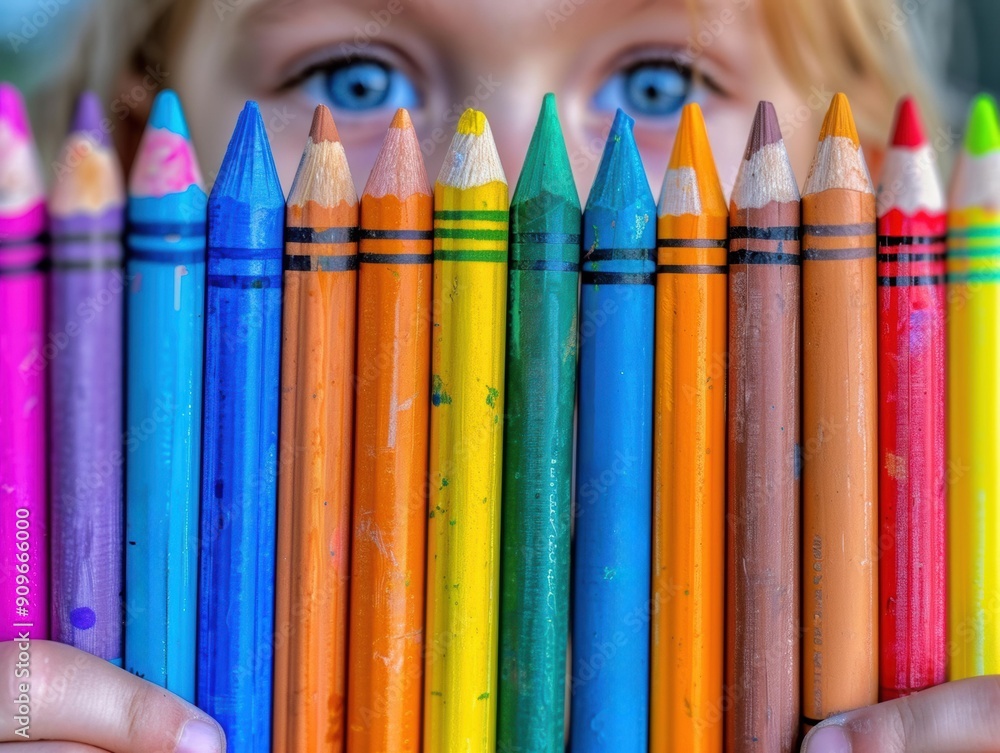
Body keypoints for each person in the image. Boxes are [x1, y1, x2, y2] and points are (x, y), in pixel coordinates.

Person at [2, 0, 996, 751]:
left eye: (657, 85)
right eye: (356, 79)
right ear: (138, 158)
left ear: (854, 195)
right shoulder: (25, 527)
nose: (524, 172)